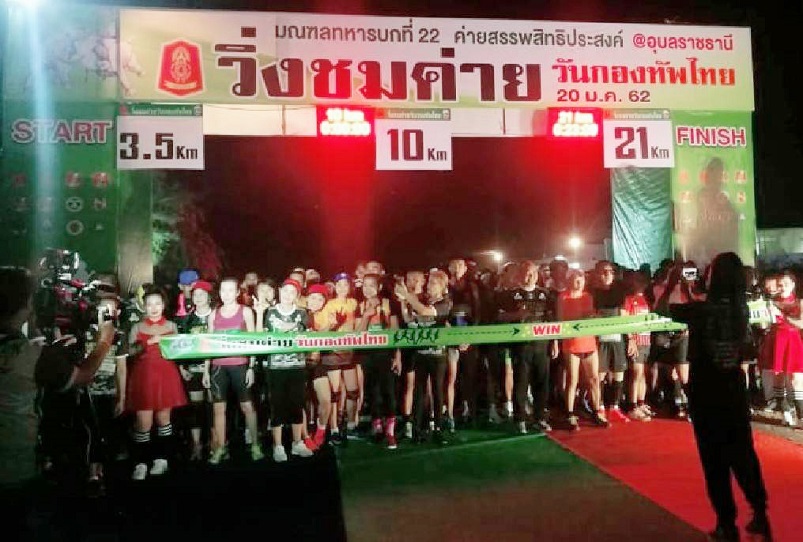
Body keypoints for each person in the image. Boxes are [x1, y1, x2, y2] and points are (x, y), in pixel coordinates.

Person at [671, 252, 771, 542]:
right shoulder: (740, 308)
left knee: (714, 458)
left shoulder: (704, 310)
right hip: (733, 385)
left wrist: (673, 282)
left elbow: (664, 309)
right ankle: (759, 511)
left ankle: (726, 523)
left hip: (707, 387)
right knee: (742, 452)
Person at [125, 287, 187, 480]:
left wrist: (182, 367)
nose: (154, 308)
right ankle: (141, 463)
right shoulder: (137, 327)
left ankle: (162, 460)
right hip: (143, 376)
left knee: (164, 419)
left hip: (166, 375)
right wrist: (148, 343)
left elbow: (179, 352)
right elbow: (129, 352)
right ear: (144, 306)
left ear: (163, 305)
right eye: (149, 304)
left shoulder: (171, 325)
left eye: (157, 303)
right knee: (143, 422)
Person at [203, 278, 263, 464]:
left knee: (247, 406)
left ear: (237, 292)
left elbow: (254, 341)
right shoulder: (213, 314)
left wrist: (251, 367)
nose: (226, 294)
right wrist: (206, 370)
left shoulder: (246, 311)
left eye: (230, 290)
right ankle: (221, 447)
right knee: (219, 408)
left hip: (240, 365)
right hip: (218, 367)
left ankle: (255, 444)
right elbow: (207, 344)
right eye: (223, 290)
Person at [395, 270, 452, 444]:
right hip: (421, 353)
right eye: (429, 283)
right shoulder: (423, 300)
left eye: (434, 283)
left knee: (437, 391)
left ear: (442, 287)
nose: (429, 286)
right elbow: (409, 319)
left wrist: (407, 296)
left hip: (437, 354)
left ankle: (438, 428)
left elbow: (425, 312)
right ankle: (418, 430)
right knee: (419, 392)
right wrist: (403, 301)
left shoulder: (445, 303)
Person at [261, 279, 314, 462]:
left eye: (292, 292)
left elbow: (309, 337)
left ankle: (297, 442)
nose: (287, 295)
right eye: (285, 291)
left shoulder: (302, 313)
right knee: (277, 405)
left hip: (297, 365)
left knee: (297, 404)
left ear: (297, 296)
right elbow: (262, 335)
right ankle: (278, 445)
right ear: (279, 291)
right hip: (276, 366)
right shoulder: (270, 312)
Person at [356, 274, 402, 449]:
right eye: (365, 285)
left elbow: (395, 332)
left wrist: (397, 356)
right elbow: (357, 334)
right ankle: (377, 427)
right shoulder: (360, 306)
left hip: (385, 354)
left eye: (371, 285)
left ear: (379, 287)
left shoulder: (388, 304)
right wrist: (366, 315)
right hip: (367, 355)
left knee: (389, 392)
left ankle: (390, 430)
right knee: (372, 392)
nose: (367, 289)